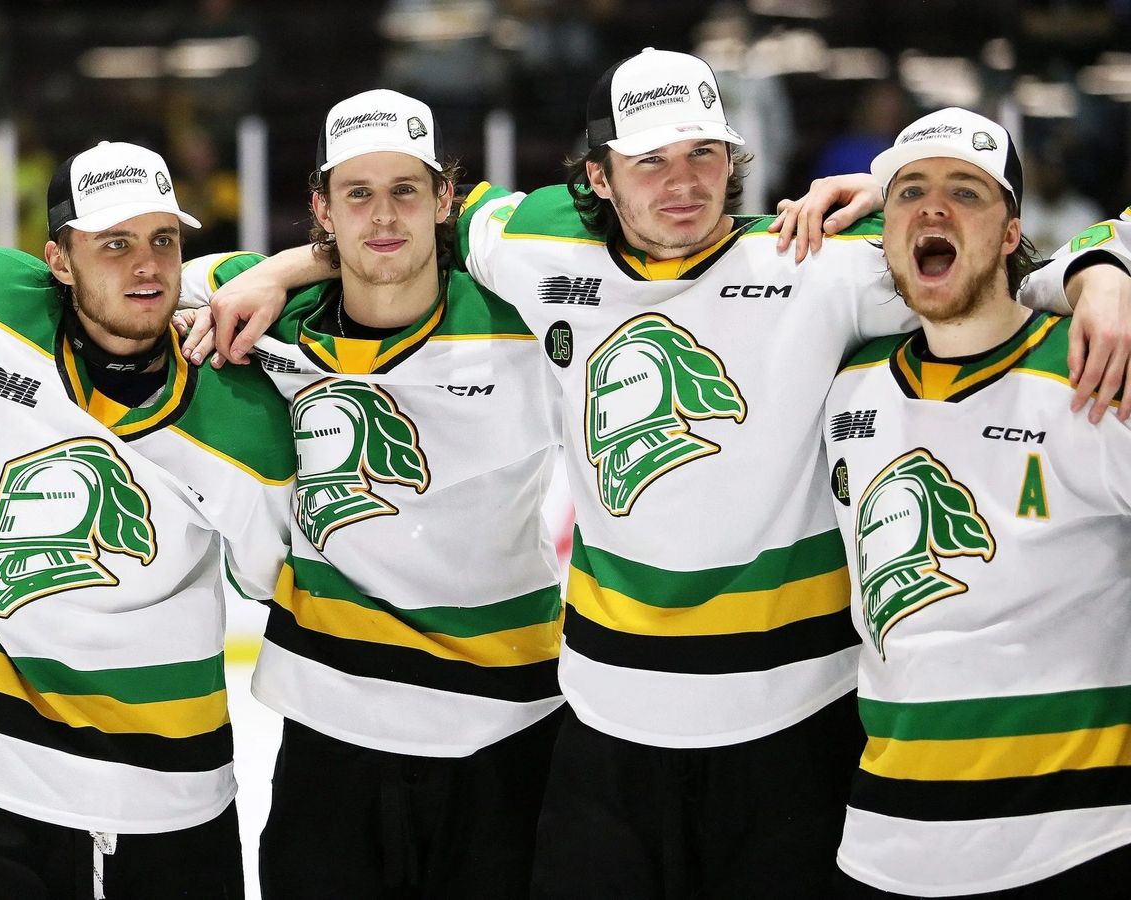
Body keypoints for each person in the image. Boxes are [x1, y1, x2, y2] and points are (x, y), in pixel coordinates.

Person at [205, 51, 1130, 897]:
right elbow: (402, 222)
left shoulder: (818, 261)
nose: (682, 184)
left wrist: (1098, 276)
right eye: (649, 161)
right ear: (600, 176)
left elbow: (988, 269)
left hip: (796, 732)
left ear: (735, 160)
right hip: (607, 737)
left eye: (702, 154)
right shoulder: (532, 241)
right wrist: (280, 271)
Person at [180, 89, 564, 898]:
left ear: (444, 201)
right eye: (357, 193)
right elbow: (112, 286)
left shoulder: (524, 320)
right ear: (322, 206)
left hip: (507, 734)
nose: (382, 215)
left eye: (405, 191)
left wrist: (292, 260)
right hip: (331, 740)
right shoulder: (263, 314)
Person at [0, 140, 294, 898]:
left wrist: (294, 269)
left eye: (164, 238)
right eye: (115, 243)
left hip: (170, 800)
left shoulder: (241, 417)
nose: (147, 265)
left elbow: (271, 576)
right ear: (58, 261)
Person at [824, 107, 1131, 897]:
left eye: (967, 192)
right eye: (909, 192)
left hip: (1071, 845)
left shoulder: (1090, 368)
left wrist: (1105, 259)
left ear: (1008, 236)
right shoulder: (844, 383)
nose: (932, 209)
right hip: (882, 846)